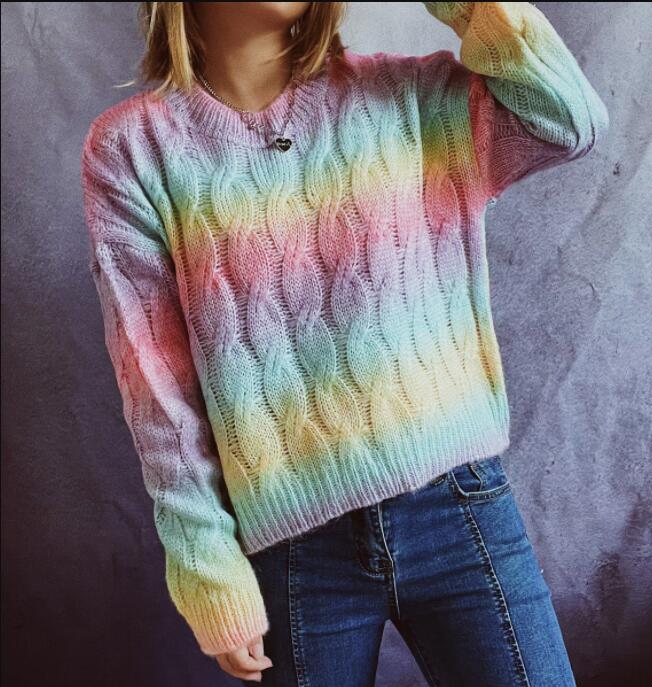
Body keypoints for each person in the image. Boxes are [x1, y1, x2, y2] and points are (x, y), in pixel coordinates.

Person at [80, 2, 609, 685]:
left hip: (459, 509)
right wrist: (206, 561)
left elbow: (567, 120)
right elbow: (157, 386)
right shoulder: (131, 150)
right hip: (293, 548)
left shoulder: (412, 98)